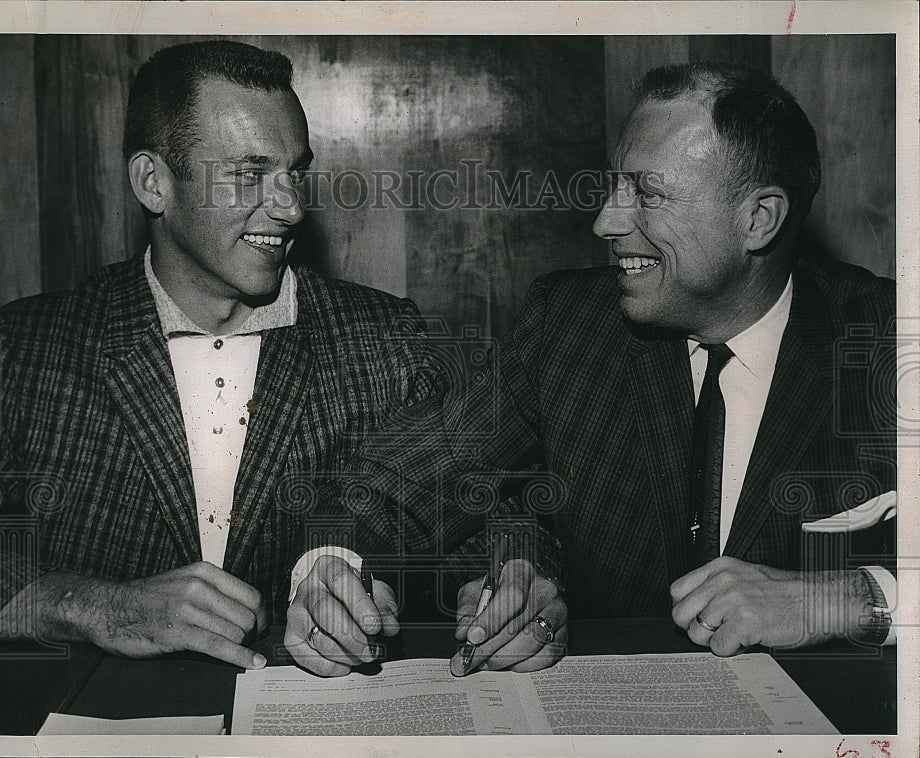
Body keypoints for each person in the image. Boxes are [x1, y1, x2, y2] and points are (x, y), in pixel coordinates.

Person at [304, 61, 897, 666]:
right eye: (616, 186)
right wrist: (328, 572)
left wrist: (848, 598)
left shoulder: (888, 340)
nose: (606, 221)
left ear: (758, 219)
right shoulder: (569, 325)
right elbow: (397, 481)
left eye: (649, 193)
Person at [0, 40, 439, 671]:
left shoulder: (384, 341)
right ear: (153, 183)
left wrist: (365, 577)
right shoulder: (23, 350)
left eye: (295, 171)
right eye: (248, 173)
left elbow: (473, 527)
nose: (291, 207)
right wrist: (96, 606)